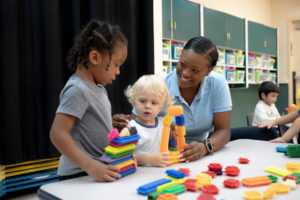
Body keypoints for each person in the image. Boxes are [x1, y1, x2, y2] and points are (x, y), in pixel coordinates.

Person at [113, 36, 232, 162]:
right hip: (163, 158)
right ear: (180, 56)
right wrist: (120, 126)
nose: (185, 73)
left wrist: (204, 148)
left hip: (200, 157)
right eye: (182, 64)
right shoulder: (159, 85)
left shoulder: (217, 84)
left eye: (195, 70)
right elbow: (134, 126)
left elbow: (224, 131)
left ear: (209, 71)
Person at [50, 20, 128, 182]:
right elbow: (57, 134)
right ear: (95, 57)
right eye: (116, 64)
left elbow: (85, 123)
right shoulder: (77, 89)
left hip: (96, 169)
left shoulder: (99, 88)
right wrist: (90, 166)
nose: (118, 71)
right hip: (78, 173)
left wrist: (110, 123)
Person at [124, 75, 172, 167]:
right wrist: (146, 159)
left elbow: (172, 148)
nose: (148, 106)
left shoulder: (164, 125)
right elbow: (123, 158)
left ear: (162, 106)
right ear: (133, 101)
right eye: (142, 101)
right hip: (137, 176)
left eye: (154, 103)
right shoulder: (130, 128)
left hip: (161, 173)